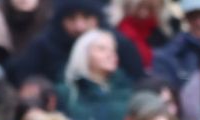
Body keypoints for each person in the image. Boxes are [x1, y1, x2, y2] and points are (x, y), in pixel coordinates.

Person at [9, 0, 146, 87]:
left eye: (86, 18)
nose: (79, 26)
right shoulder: (43, 47)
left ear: (97, 18)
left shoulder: (119, 45)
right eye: (71, 19)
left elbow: (137, 81)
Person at [57, 27, 135, 120]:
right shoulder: (66, 93)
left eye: (113, 50)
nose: (111, 55)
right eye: (101, 49)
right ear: (83, 53)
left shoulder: (127, 93)